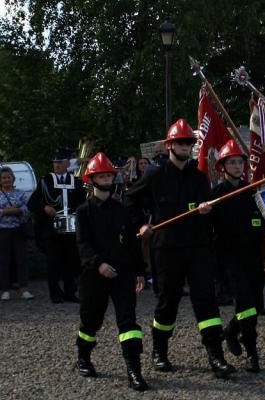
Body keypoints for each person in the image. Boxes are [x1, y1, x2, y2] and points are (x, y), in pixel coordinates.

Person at [126, 118, 235, 379]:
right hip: (167, 248)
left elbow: (208, 211)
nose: (185, 146)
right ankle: (159, 352)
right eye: (180, 143)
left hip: (197, 246)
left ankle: (215, 356)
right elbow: (130, 200)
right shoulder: (155, 174)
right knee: (168, 301)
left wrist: (207, 210)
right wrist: (142, 225)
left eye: (189, 143)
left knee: (206, 301)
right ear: (169, 145)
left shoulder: (199, 177)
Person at [73, 152, 148, 391]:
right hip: (94, 275)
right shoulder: (84, 211)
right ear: (92, 179)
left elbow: (133, 244)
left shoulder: (122, 209)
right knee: (91, 320)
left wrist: (140, 272)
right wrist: (98, 264)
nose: (106, 180)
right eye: (101, 176)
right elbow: (83, 244)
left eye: (108, 176)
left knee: (128, 322)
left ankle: (134, 371)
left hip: (122, 274)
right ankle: (83, 357)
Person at [210, 139, 265, 373]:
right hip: (229, 260)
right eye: (232, 162)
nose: (237, 166)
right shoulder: (216, 195)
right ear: (223, 167)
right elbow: (205, 230)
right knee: (245, 304)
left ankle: (230, 331)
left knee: (256, 304)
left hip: (253, 259)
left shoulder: (252, 191)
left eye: (240, 162)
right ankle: (252, 353)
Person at [28, 147, 87, 303]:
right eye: (55, 163)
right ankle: (55, 293)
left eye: (60, 162)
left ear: (68, 163)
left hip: (71, 228)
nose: (57, 165)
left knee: (71, 261)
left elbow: (83, 203)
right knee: (53, 262)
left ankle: (70, 292)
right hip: (51, 229)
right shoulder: (45, 181)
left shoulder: (76, 181)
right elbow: (31, 203)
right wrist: (44, 207)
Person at [0, 166, 33, 300]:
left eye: (8, 177)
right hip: (2, 231)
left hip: (18, 230)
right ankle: (5, 290)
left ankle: (23, 288)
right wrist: (6, 212)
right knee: (3, 260)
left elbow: (26, 210)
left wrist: (15, 211)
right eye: (3, 178)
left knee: (21, 260)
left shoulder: (20, 193)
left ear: (13, 179)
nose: (6, 179)